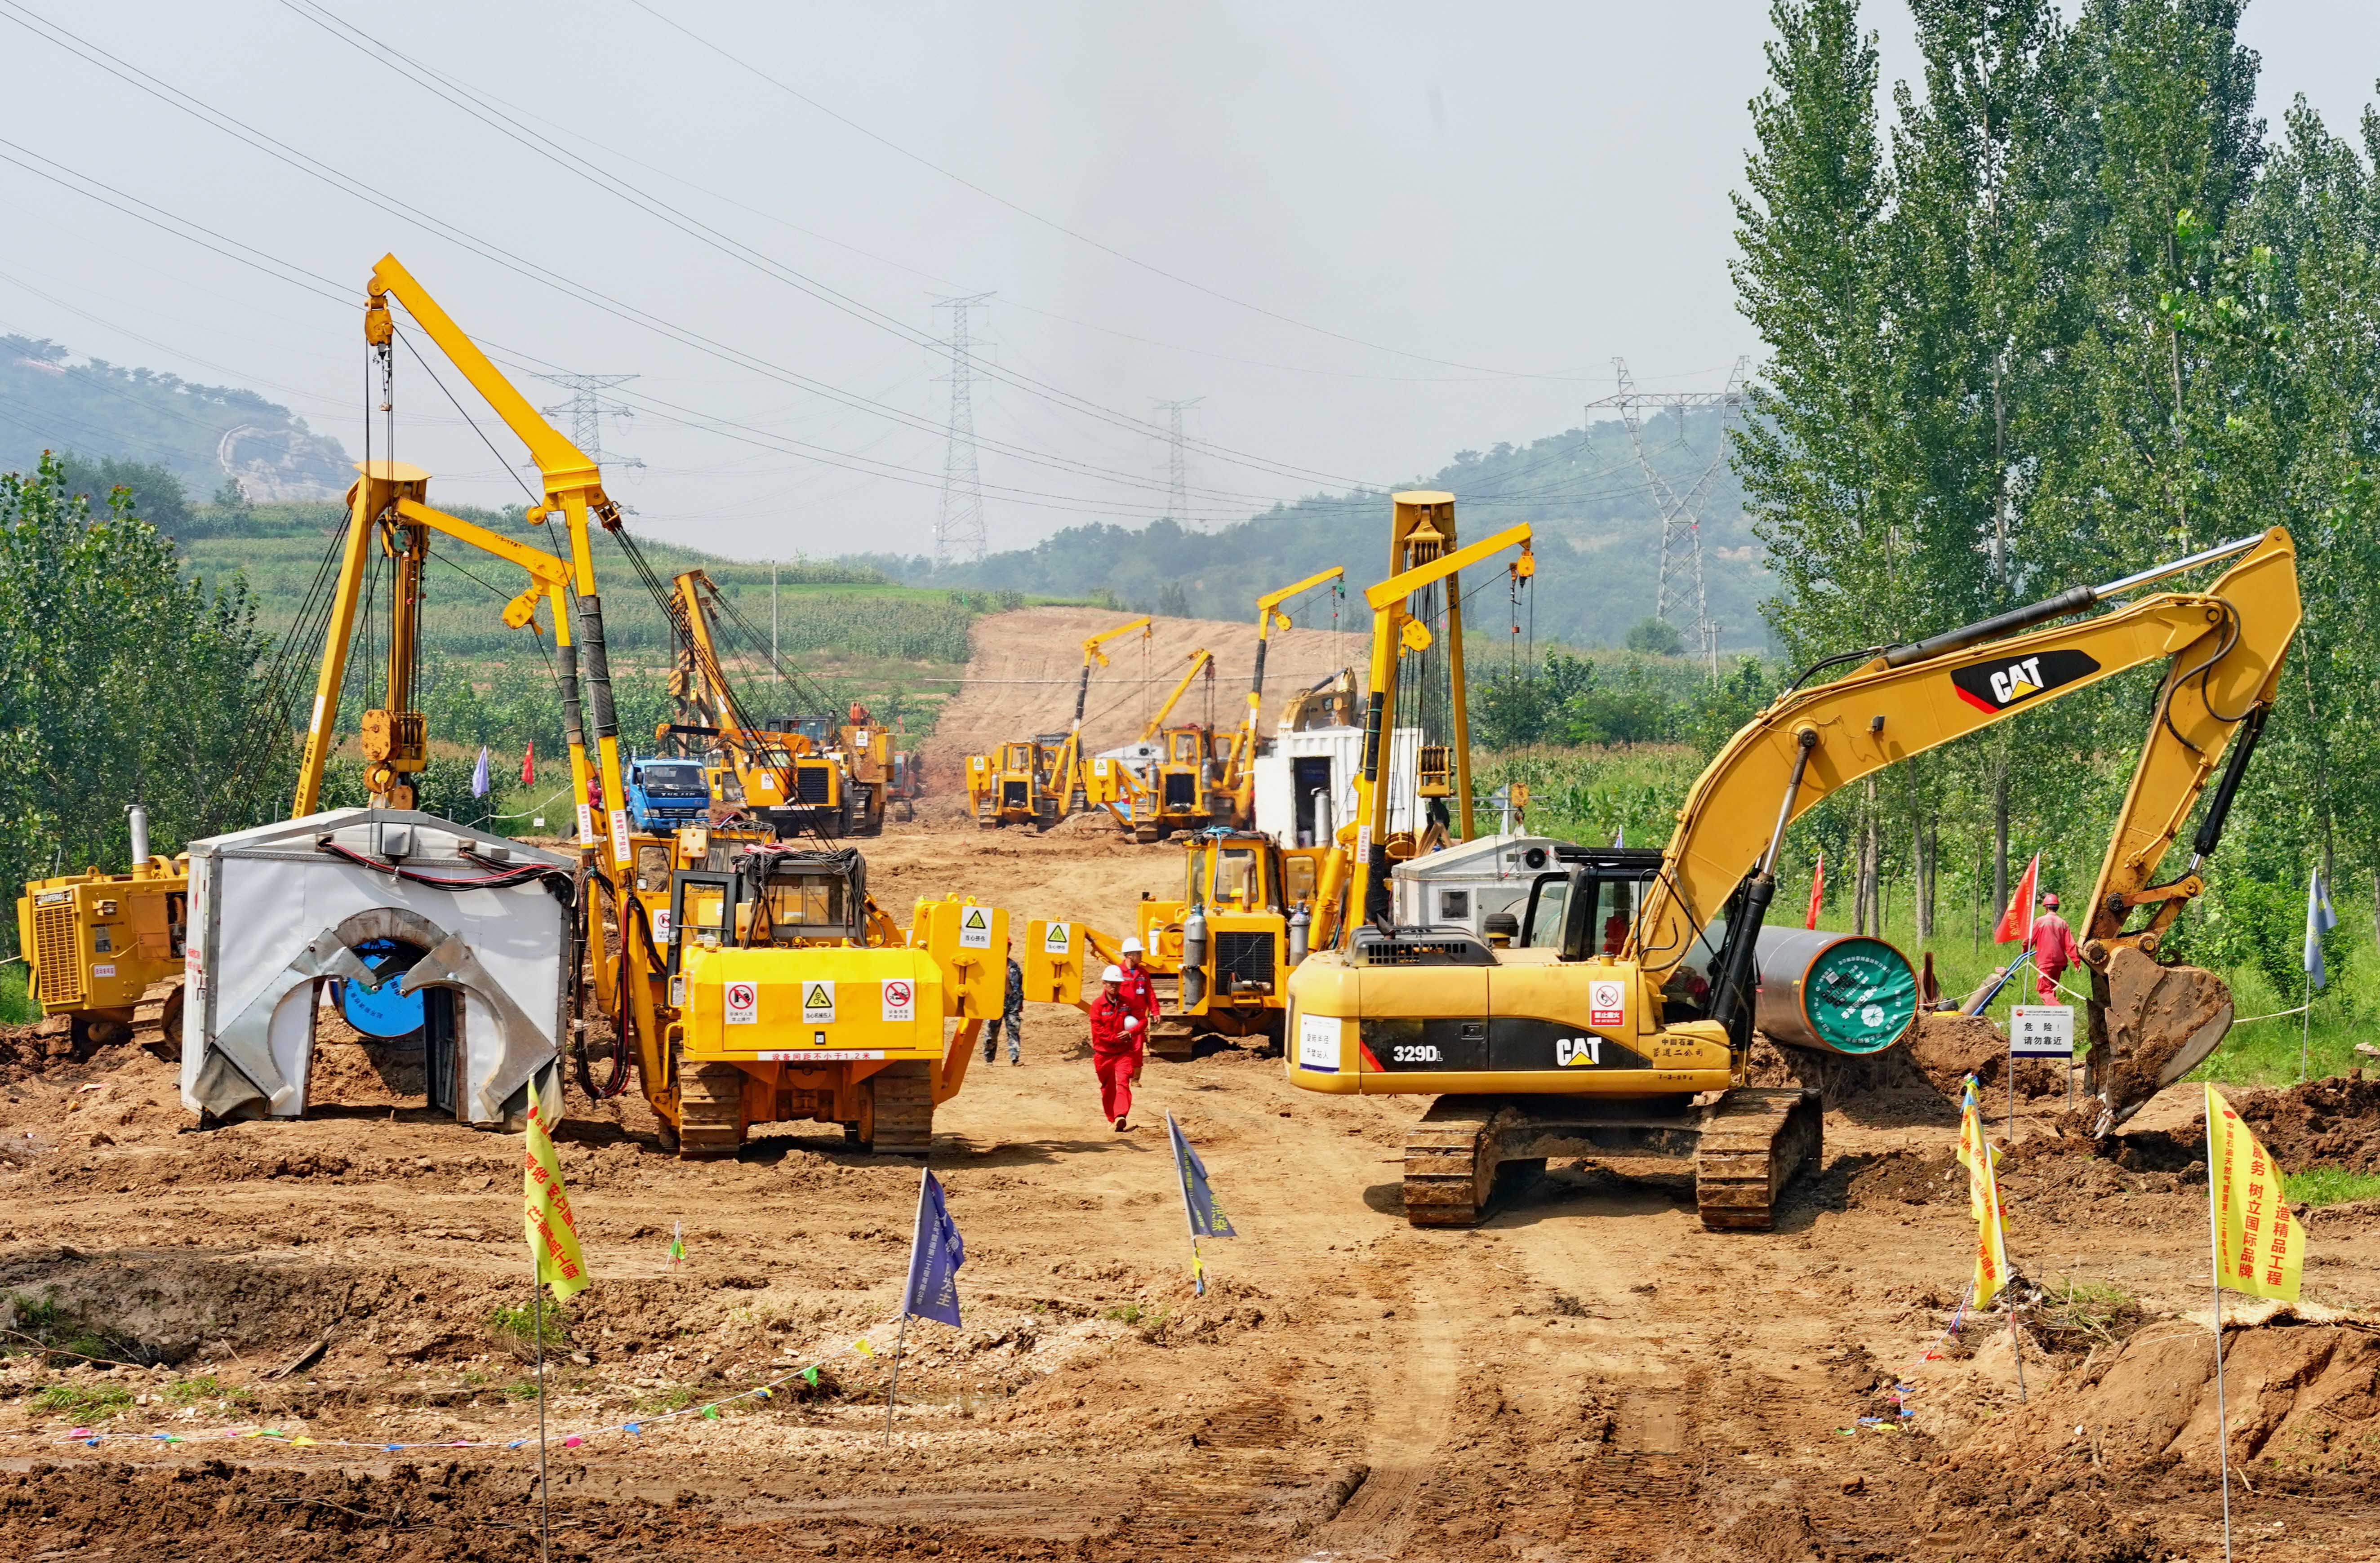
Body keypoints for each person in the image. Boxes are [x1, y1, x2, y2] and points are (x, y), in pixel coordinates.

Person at [1086, 965, 1144, 1131]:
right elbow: (1098, 1030)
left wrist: (1130, 1033)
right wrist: (1116, 1038)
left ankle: (1121, 1115)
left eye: (1117, 984)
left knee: (1124, 1083)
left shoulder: (1127, 1003)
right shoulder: (1097, 1005)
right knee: (1107, 1088)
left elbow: (1142, 1021)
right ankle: (1112, 1119)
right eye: (1111, 984)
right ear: (1104, 984)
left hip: (1123, 1053)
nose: (1114, 987)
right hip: (1103, 1055)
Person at [2029, 891, 2077, 999]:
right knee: (2052, 991)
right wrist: (2076, 962)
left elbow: (2029, 940)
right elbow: (2071, 945)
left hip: (2046, 962)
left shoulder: (2040, 921)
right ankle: (2053, 1015)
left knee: (2045, 992)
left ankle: (2062, 1014)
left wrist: (2024, 951)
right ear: (2057, 907)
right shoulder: (2063, 923)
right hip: (2059, 964)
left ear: (2046, 908)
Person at [982, 954, 1025, 1066]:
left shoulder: (1013, 965)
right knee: (991, 1032)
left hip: (1012, 1004)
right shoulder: (991, 965)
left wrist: (1020, 1003)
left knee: (1014, 1031)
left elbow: (1020, 984)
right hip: (995, 1004)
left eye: (1009, 947)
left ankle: (1015, 1059)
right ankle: (989, 1059)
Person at [1115, 937, 1157, 1029]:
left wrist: (1155, 1010)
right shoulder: (1118, 972)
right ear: (1130, 955)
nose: (1141, 955)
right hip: (1121, 1015)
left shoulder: (1143, 973)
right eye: (1139, 953)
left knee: (1138, 1042)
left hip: (1139, 1015)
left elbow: (1150, 993)